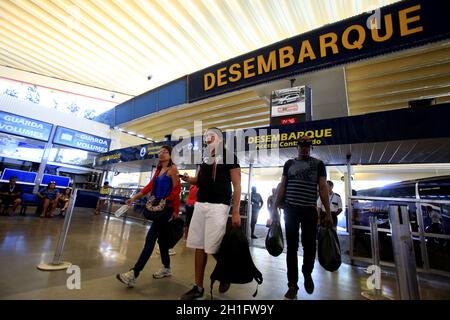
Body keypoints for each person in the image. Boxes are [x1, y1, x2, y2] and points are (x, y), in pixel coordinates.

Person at [180, 127, 241, 300]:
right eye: (206, 136)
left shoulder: (230, 157)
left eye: (211, 135)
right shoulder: (205, 158)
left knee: (213, 245)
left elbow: (237, 185)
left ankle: (227, 271)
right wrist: (188, 179)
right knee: (199, 245)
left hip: (218, 205)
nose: (207, 138)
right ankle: (198, 288)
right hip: (201, 203)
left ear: (220, 139)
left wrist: (235, 211)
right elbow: (199, 180)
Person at [270, 136, 332, 300]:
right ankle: (292, 284)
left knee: (310, 246)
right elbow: (282, 186)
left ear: (310, 148)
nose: (304, 148)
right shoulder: (289, 164)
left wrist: (328, 212)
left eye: (307, 146)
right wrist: (275, 208)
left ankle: (307, 272)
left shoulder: (318, 164)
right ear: (297, 147)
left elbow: (323, 188)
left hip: (309, 211)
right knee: (291, 248)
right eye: (302, 146)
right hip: (291, 210)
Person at [116, 145, 180, 287]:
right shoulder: (158, 171)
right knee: (163, 242)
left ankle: (134, 273)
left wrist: (175, 211)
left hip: (166, 210)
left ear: (171, 156)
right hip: (157, 209)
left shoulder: (173, 170)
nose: (162, 154)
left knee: (150, 239)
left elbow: (177, 190)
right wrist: (133, 198)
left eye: (166, 152)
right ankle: (167, 268)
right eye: (161, 152)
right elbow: (148, 188)